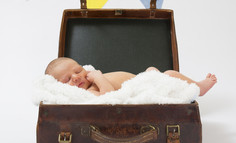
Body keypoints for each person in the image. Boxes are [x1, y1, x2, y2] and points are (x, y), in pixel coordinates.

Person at [45, 57, 217, 96]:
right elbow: (108, 95)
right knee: (170, 74)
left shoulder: (89, 80)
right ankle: (198, 88)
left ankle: (195, 85)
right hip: (142, 90)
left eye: (77, 71)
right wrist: (98, 78)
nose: (75, 77)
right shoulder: (89, 93)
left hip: (142, 80)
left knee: (152, 69)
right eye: (67, 80)